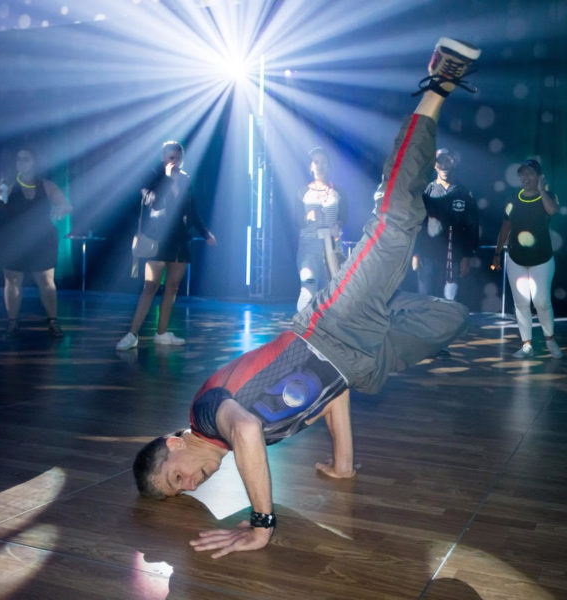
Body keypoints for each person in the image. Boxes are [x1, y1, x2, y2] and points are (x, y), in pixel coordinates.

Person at [132, 37, 480, 557]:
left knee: (398, 219)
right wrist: (342, 461)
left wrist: (262, 522)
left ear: (173, 444)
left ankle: (437, 86)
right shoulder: (234, 439)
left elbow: (248, 427)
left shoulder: (209, 415)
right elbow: (326, 388)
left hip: (334, 324)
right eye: (184, 492)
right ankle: (382, 290)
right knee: (452, 316)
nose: (195, 485)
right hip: (360, 365)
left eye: (179, 479)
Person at [116, 141, 217, 350]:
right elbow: (155, 204)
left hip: (180, 239)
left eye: (176, 158)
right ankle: (132, 334)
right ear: (163, 158)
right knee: (150, 286)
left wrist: (206, 233)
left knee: (172, 287)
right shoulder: (153, 177)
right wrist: (168, 181)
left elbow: (191, 209)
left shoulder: (186, 179)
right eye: (169, 157)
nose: (173, 162)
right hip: (158, 238)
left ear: (181, 159)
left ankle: (162, 333)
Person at [0, 147, 72, 338]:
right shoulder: (9, 184)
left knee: (46, 281)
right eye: (18, 159)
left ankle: (53, 321)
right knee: (12, 281)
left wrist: (59, 211)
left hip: (41, 240)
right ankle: (12, 323)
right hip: (13, 241)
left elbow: (66, 205)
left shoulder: (46, 185)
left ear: (35, 162)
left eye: (25, 159)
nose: (20, 162)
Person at [492, 158, 562, 358]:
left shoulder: (548, 196)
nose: (525, 177)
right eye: (522, 174)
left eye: (530, 173)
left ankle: (550, 339)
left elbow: (553, 210)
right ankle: (526, 344)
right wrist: (497, 253)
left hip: (542, 258)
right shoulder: (512, 199)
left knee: (541, 301)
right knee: (521, 302)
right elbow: (505, 226)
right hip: (516, 258)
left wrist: (541, 190)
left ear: (539, 177)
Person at [412, 147, 478, 302]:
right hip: (428, 255)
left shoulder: (464, 193)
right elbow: (417, 224)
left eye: (447, 161)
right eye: (439, 161)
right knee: (425, 299)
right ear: (434, 165)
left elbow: (472, 227)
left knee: (450, 302)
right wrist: (415, 253)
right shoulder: (427, 191)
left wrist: (467, 256)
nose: (444, 165)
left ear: (453, 163)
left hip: (454, 257)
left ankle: (448, 326)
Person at [295, 147, 347, 312]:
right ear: (310, 166)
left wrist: (338, 225)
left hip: (331, 248)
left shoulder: (339, 191)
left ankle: (321, 333)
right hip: (308, 245)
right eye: (316, 162)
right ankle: (300, 328)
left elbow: (344, 216)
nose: (320, 165)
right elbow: (295, 219)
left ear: (329, 166)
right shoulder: (303, 191)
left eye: (323, 162)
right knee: (309, 283)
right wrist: (308, 216)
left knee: (329, 294)